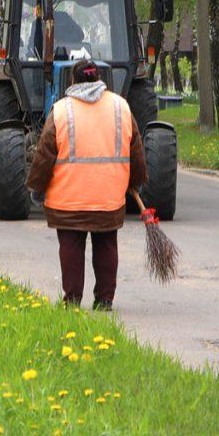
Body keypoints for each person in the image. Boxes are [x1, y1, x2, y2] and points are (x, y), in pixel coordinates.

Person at [26, 59, 147, 311]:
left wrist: (37, 187)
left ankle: (72, 301)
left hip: (68, 198)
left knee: (71, 249)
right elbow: (135, 150)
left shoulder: (61, 110)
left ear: (73, 80)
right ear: (99, 79)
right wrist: (136, 182)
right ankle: (104, 300)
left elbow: (45, 154)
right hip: (108, 197)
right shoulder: (120, 107)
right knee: (106, 246)